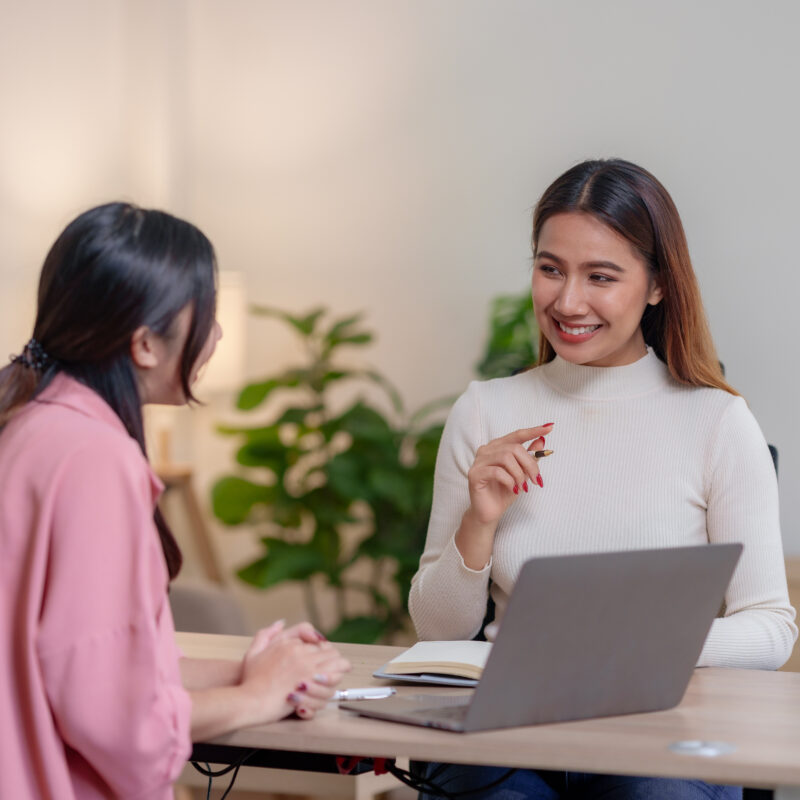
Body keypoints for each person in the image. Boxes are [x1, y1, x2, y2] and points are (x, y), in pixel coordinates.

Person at [408, 159, 796, 799]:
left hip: (661, 735)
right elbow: (437, 631)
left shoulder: (717, 422)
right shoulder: (486, 412)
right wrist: (480, 522)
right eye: (550, 268)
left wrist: (626, 651)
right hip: (512, 738)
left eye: (602, 277)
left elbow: (771, 626)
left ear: (657, 286)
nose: (566, 302)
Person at [0, 202, 351, 799]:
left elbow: (92, 664)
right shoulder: (95, 460)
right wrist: (255, 696)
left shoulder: (27, 425)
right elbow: (116, 720)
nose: (214, 336)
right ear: (144, 345)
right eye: (207, 315)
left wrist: (253, 668)